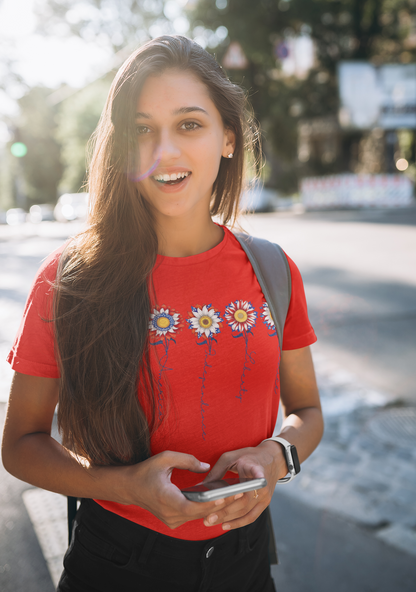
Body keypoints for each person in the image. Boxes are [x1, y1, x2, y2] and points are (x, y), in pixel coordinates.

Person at [1, 35, 323, 592]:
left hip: (245, 561)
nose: (163, 151)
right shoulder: (70, 280)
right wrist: (125, 486)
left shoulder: (273, 270)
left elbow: (308, 411)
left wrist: (276, 456)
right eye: (141, 129)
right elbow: (20, 444)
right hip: (115, 561)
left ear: (227, 138)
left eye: (189, 125)